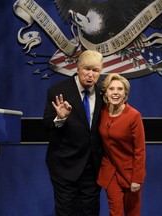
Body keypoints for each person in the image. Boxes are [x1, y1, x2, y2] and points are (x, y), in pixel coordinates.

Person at [43, 50, 104, 216]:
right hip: (64, 165)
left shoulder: (102, 94)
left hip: (92, 167)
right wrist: (59, 118)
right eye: (87, 69)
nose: (90, 74)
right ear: (78, 68)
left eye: (95, 70)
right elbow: (47, 124)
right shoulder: (58, 91)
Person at [97, 73, 146, 216]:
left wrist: (137, 179)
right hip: (110, 171)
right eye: (111, 89)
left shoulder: (133, 115)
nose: (115, 93)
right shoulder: (103, 112)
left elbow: (140, 150)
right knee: (115, 212)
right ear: (106, 92)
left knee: (132, 213)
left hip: (130, 173)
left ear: (125, 93)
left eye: (120, 89)